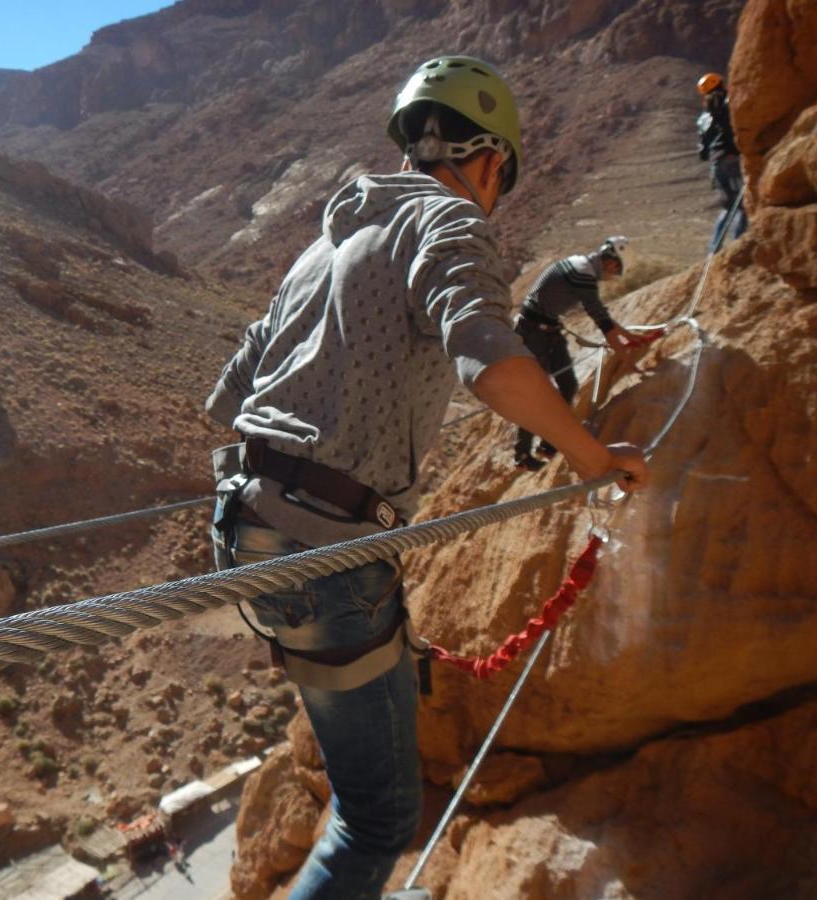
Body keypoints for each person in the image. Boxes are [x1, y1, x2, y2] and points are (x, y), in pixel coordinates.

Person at [205, 55, 648, 899]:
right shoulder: (448, 221)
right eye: (499, 181)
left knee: (359, 797)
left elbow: (233, 387)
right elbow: (488, 360)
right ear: (487, 161)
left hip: (244, 524)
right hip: (329, 548)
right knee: (378, 822)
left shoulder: (328, 237)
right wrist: (595, 459)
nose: (491, 197)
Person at [512, 238, 639, 471]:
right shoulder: (582, 272)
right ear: (610, 260)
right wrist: (627, 357)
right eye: (616, 269)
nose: (613, 274)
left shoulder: (582, 266)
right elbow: (600, 317)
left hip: (547, 329)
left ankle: (548, 445)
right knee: (535, 391)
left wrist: (629, 337)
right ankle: (522, 453)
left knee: (568, 385)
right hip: (534, 332)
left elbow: (603, 316)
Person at [696, 72, 748, 253]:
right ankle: (738, 247)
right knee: (743, 206)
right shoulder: (729, 105)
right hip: (732, 159)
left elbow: (703, 151)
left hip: (716, 164)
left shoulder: (704, 118)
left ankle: (714, 250)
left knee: (727, 207)